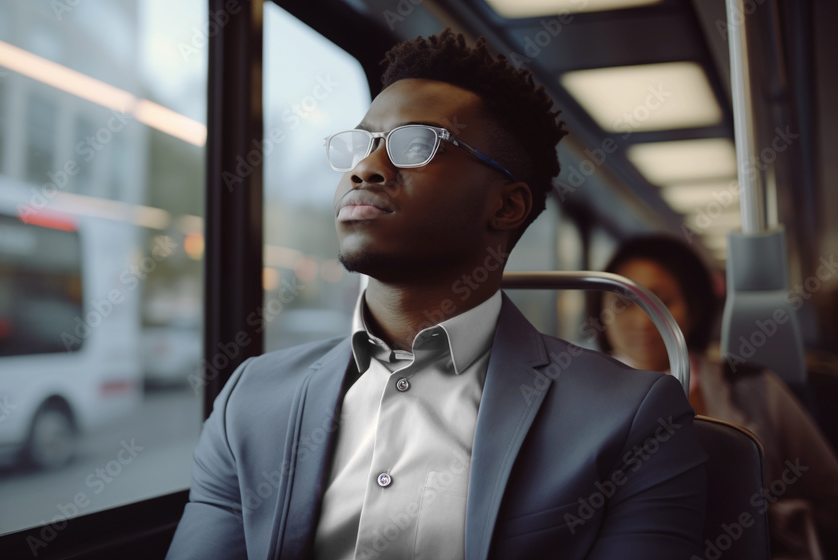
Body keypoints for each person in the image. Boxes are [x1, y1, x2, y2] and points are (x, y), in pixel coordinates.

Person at [167, 30, 707, 559]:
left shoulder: (631, 417)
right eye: (363, 144)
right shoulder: (253, 399)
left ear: (506, 207)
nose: (365, 168)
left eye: (416, 145)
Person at [588, 234, 838, 560]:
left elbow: (828, 490)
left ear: (693, 309)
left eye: (662, 302)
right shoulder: (583, 397)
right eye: (623, 303)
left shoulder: (753, 387)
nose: (642, 321)